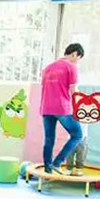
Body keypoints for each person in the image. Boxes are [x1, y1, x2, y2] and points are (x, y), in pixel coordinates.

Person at [41, 43, 85, 173]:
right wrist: (80, 107)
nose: (77, 62)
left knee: (49, 139)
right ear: (75, 54)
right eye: (78, 59)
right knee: (77, 135)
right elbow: (74, 91)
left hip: (46, 107)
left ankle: (48, 169)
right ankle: (57, 163)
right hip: (61, 108)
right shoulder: (71, 67)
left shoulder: (47, 68)